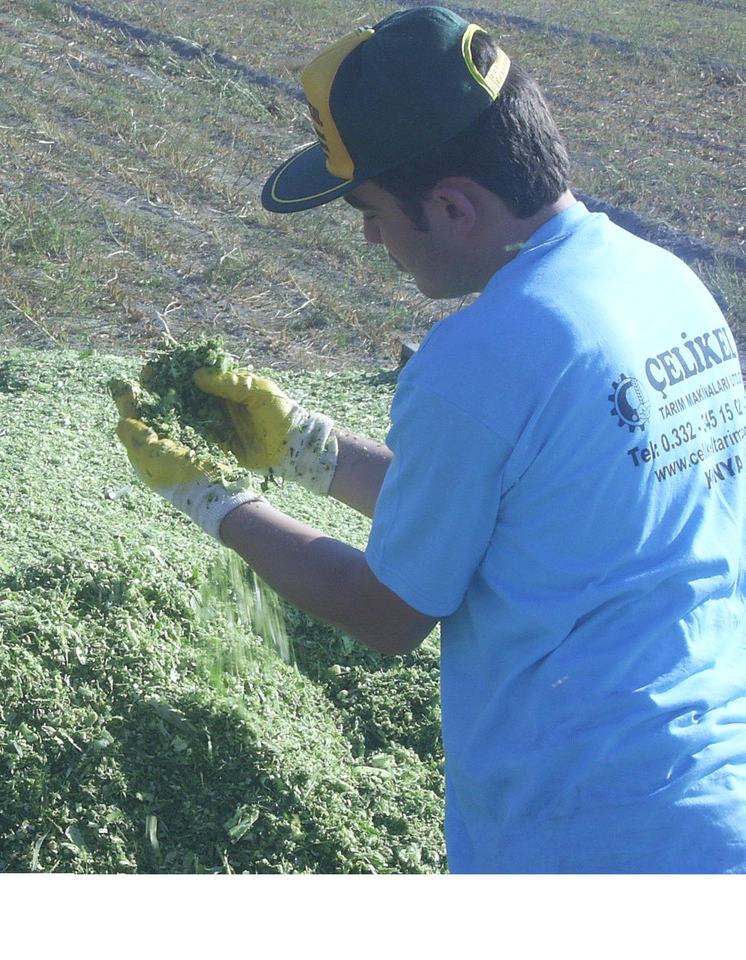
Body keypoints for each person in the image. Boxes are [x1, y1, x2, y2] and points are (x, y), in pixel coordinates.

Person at [111, 5, 746, 873]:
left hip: (586, 825)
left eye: (369, 211)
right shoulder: (665, 283)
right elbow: (513, 513)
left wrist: (213, 500)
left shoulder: (482, 354)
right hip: (709, 797)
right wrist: (305, 444)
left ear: (450, 206)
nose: (371, 237)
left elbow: (387, 610)